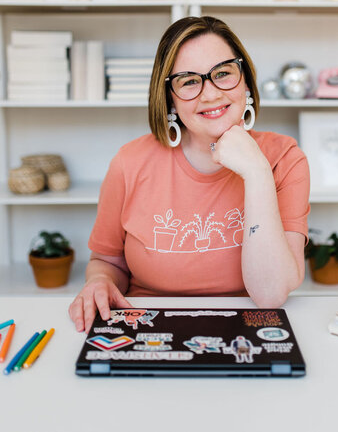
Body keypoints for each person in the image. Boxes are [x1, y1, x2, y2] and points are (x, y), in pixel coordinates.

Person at [69, 16, 310, 333]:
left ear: (246, 82)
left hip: (248, 327)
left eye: (223, 73)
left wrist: (257, 172)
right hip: (147, 328)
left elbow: (270, 294)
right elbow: (108, 261)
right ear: (169, 96)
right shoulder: (129, 162)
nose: (210, 94)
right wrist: (100, 281)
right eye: (189, 81)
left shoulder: (285, 159)